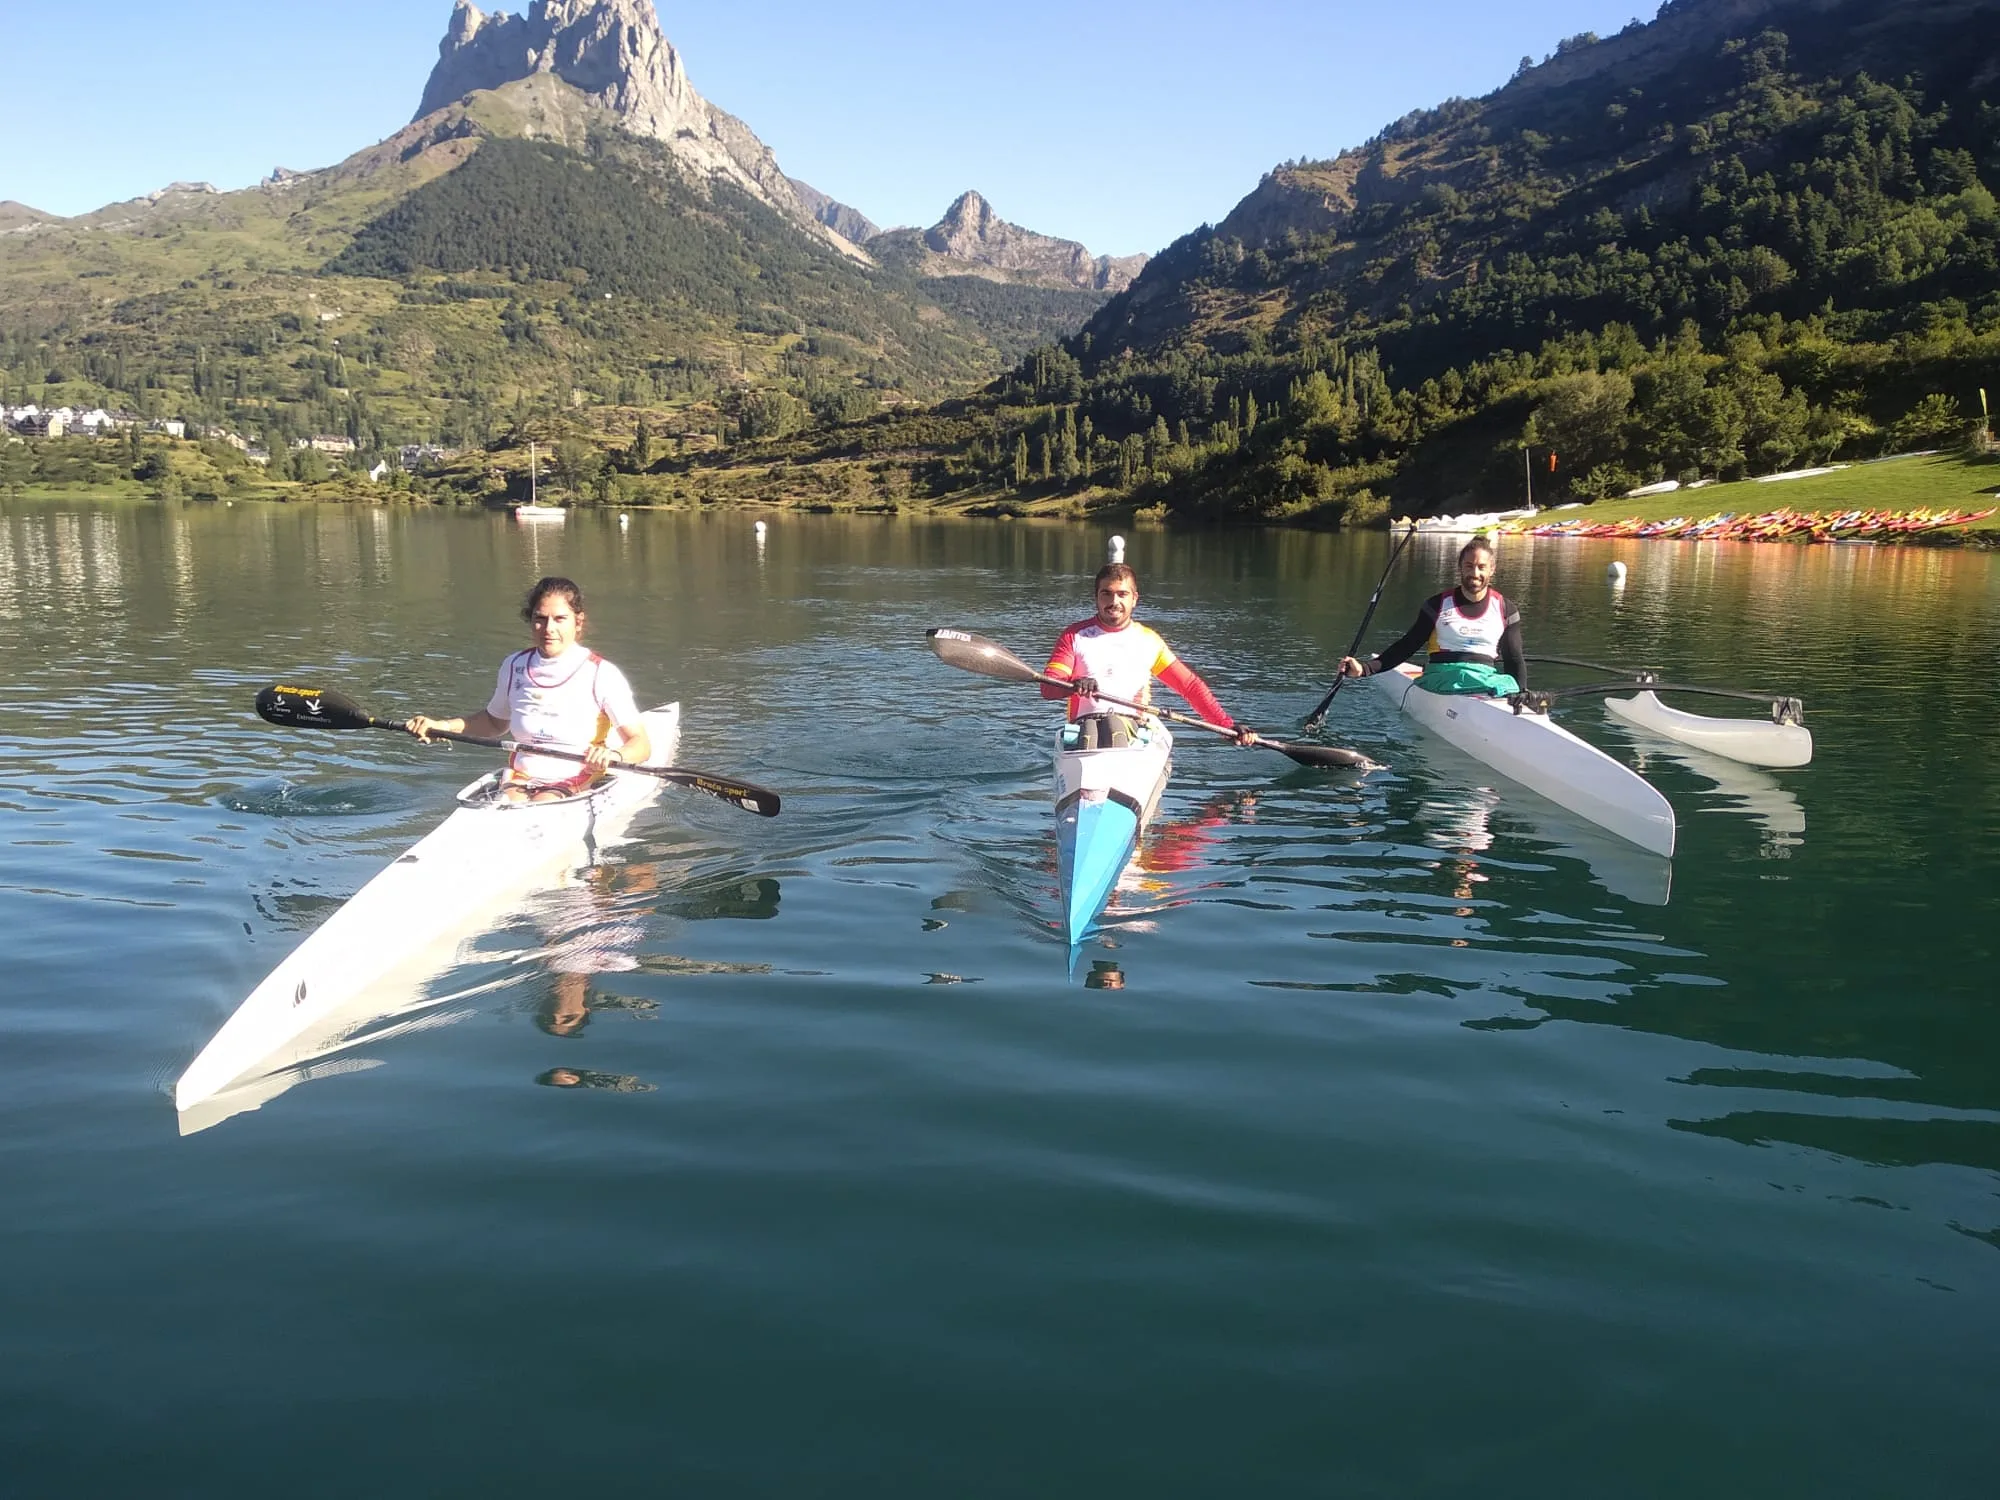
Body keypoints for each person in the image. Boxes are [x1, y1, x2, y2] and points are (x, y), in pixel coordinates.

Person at [406, 576, 653, 802]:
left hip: (579, 775)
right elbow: (494, 724)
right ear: (531, 619)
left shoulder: (602, 673)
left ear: (578, 622)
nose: (549, 629)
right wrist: (444, 727)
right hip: (520, 776)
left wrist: (615, 756)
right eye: (540, 618)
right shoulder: (514, 665)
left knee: (541, 803)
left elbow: (640, 744)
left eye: (560, 619)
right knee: (510, 803)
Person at [1042, 563, 1258, 746]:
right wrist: (1075, 682)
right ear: (1096, 597)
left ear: (1134, 598)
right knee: (1094, 731)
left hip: (1133, 726)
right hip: (1084, 728)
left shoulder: (1149, 641)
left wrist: (1226, 726)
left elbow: (1189, 686)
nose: (1114, 601)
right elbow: (1048, 687)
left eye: (1122, 594)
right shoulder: (1074, 636)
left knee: (1113, 727)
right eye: (1106, 593)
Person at [1338, 535, 1527, 696]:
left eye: (1481, 567)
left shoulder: (1506, 609)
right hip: (1442, 676)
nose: (1474, 573)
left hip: (1487, 678)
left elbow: (1514, 660)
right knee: (1491, 682)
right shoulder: (1437, 605)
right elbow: (1407, 645)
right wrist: (1364, 669)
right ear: (1460, 567)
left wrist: (1521, 695)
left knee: (1510, 684)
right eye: (1469, 566)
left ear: (1491, 569)